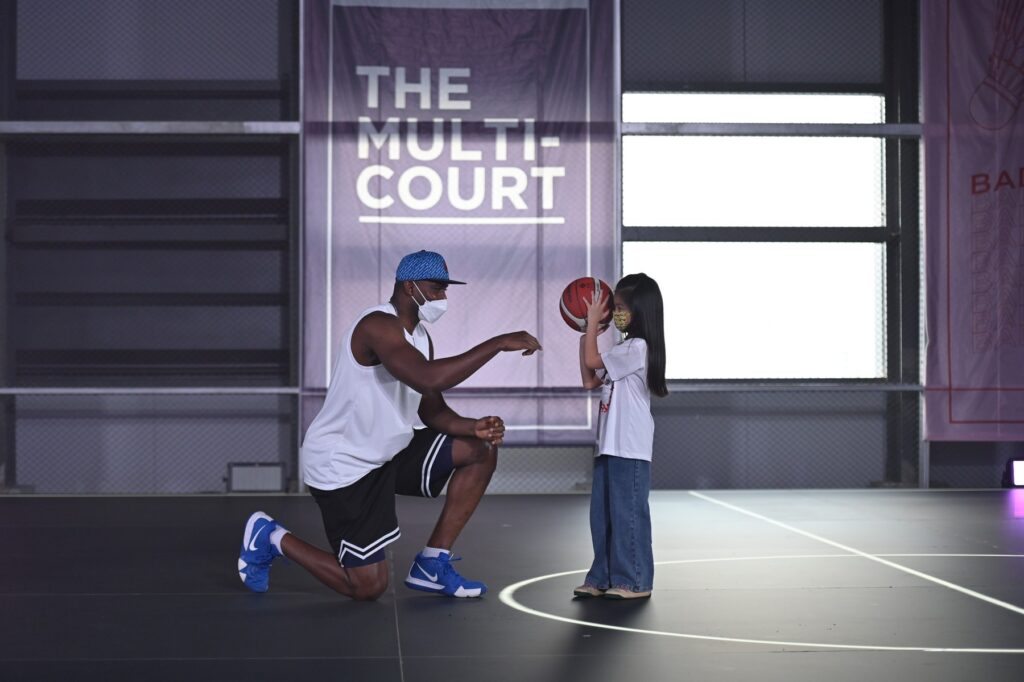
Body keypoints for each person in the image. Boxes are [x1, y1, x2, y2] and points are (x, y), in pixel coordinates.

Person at [237, 250, 541, 600]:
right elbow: (428, 377)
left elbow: (432, 411)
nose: (443, 296)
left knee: (480, 450)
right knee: (367, 587)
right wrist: (498, 343)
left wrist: (474, 427)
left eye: (445, 289)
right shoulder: (377, 325)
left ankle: (432, 563)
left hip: (389, 453)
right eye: (437, 288)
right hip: (345, 464)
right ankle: (271, 536)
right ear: (410, 287)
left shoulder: (421, 337)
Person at [573, 273, 667, 600]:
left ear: (641, 311)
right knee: (602, 516)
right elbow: (589, 379)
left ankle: (635, 580)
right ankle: (602, 576)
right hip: (609, 445)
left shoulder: (637, 348)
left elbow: (592, 360)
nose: (616, 313)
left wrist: (591, 325)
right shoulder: (621, 349)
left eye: (621, 307)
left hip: (629, 447)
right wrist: (586, 334)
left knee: (628, 515)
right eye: (614, 307)